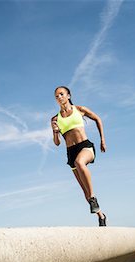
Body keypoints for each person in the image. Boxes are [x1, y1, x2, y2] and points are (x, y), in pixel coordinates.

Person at [50, 86, 107, 226]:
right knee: (84, 191)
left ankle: (93, 198)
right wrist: (55, 132)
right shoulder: (55, 119)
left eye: (61, 94)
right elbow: (57, 143)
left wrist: (102, 140)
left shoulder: (79, 109)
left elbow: (97, 119)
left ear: (68, 95)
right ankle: (101, 215)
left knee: (80, 163)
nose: (59, 98)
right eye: (56, 96)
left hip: (85, 147)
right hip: (71, 152)